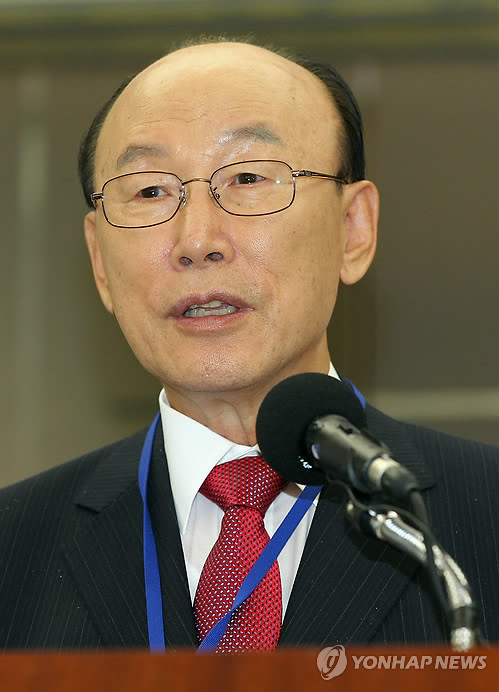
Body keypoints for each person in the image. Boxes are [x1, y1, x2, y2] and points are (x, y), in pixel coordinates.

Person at [0, 38, 497, 650]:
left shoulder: (482, 520)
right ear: (99, 261)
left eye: (248, 178)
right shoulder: (13, 551)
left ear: (353, 230)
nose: (197, 240)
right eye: (150, 191)